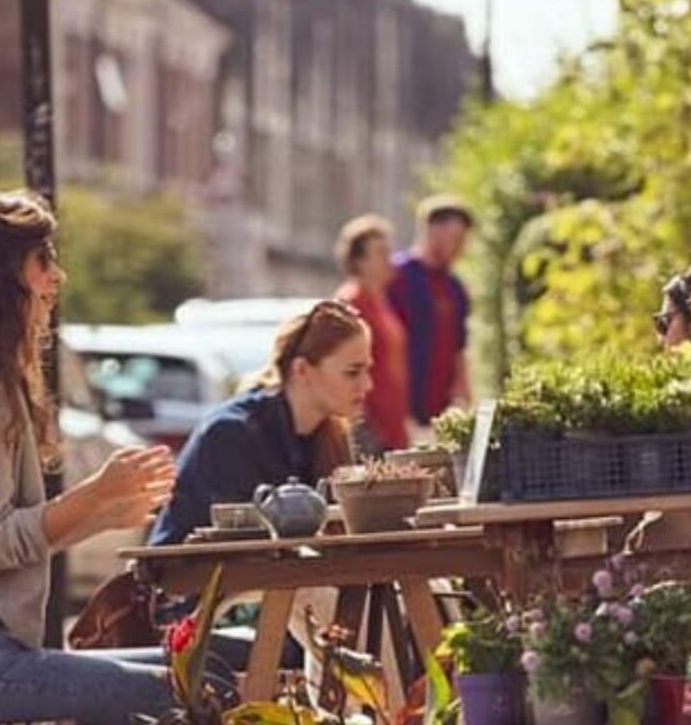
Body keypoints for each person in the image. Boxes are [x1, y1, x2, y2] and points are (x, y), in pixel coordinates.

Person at [0, 191, 179, 725]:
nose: (57, 277)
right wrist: (95, 495)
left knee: (197, 674)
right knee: (179, 697)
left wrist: (100, 515)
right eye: (42, 260)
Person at [150, 300, 369, 547]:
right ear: (302, 370)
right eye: (352, 372)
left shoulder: (330, 436)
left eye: (367, 370)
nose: (367, 385)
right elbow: (244, 551)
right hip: (190, 579)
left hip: (278, 580)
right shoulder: (231, 434)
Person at [387, 194, 473, 428]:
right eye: (455, 237)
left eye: (463, 239)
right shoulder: (396, 276)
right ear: (431, 230)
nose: (460, 246)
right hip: (399, 408)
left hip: (439, 413)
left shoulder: (455, 288)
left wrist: (464, 398)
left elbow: (459, 348)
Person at [334, 214, 410, 455]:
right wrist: (365, 429)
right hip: (370, 430)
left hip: (393, 425)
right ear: (359, 261)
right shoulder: (351, 302)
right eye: (381, 253)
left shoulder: (381, 300)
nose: (390, 260)